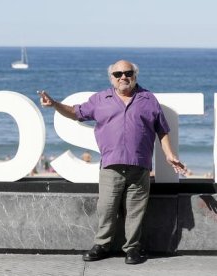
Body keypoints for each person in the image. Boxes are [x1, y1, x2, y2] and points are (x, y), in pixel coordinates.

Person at [38, 60, 187, 265]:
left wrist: (169, 154)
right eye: (118, 74)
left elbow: (162, 130)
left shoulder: (148, 99)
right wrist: (54, 104)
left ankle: (133, 249)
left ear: (135, 75)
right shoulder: (101, 99)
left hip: (139, 166)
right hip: (111, 166)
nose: (123, 77)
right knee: (106, 208)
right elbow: (75, 112)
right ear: (112, 78)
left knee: (135, 211)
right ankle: (102, 245)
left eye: (128, 73)